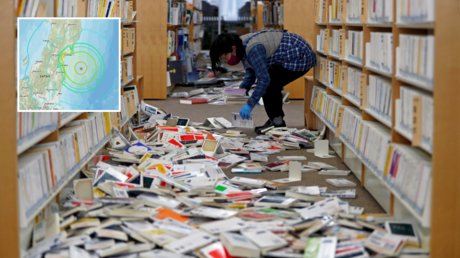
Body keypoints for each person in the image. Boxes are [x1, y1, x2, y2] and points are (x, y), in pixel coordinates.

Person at [210, 30, 316, 134]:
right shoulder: (240, 46)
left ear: (233, 49)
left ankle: (277, 122)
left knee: (269, 84)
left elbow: (264, 80)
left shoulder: (253, 49)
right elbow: (251, 69)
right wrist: (244, 87)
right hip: (292, 53)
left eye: (225, 58)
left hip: (300, 57)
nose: (227, 61)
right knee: (268, 80)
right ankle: (275, 120)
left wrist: (250, 104)